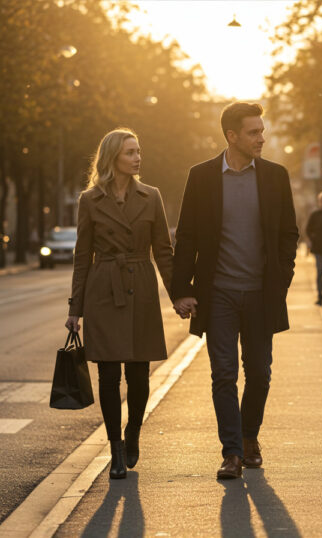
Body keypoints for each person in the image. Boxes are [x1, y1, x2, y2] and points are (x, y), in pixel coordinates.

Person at [171, 102, 299, 480]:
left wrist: (282, 280)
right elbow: (188, 237)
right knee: (223, 374)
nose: (262, 137)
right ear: (232, 136)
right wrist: (181, 290)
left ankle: (249, 436)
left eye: (262, 130)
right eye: (254, 132)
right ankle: (231, 452)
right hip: (220, 295)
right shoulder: (202, 176)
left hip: (261, 294)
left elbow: (289, 233)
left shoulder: (276, 176)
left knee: (259, 373)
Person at [66, 128, 174, 479]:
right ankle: (114, 448)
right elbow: (83, 256)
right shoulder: (90, 200)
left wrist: (179, 296)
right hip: (104, 289)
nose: (138, 157)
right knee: (109, 374)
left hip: (140, 286)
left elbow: (163, 251)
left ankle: (133, 433)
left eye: (139, 151)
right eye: (130, 152)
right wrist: (74, 310)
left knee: (139, 373)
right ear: (114, 157)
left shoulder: (151, 196)